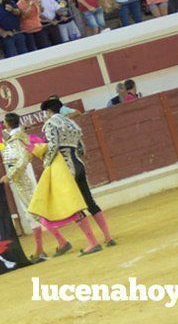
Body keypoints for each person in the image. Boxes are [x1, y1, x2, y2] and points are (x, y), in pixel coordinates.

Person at [41, 98, 115, 251]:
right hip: (79, 164)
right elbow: (81, 147)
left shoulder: (50, 124)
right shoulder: (71, 123)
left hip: (67, 169)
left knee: (75, 207)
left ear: (49, 111)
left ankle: (92, 243)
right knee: (89, 201)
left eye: (45, 112)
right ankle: (108, 237)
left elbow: (53, 146)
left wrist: (46, 163)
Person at [0, 112, 71, 261]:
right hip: (22, 179)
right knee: (31, 214)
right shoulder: (16, 137)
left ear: (7, 123)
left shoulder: (16, 139)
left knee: (35, 213)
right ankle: (40, 250)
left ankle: (62, 242)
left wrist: (10, 175)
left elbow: (22, 160)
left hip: (22, 179)